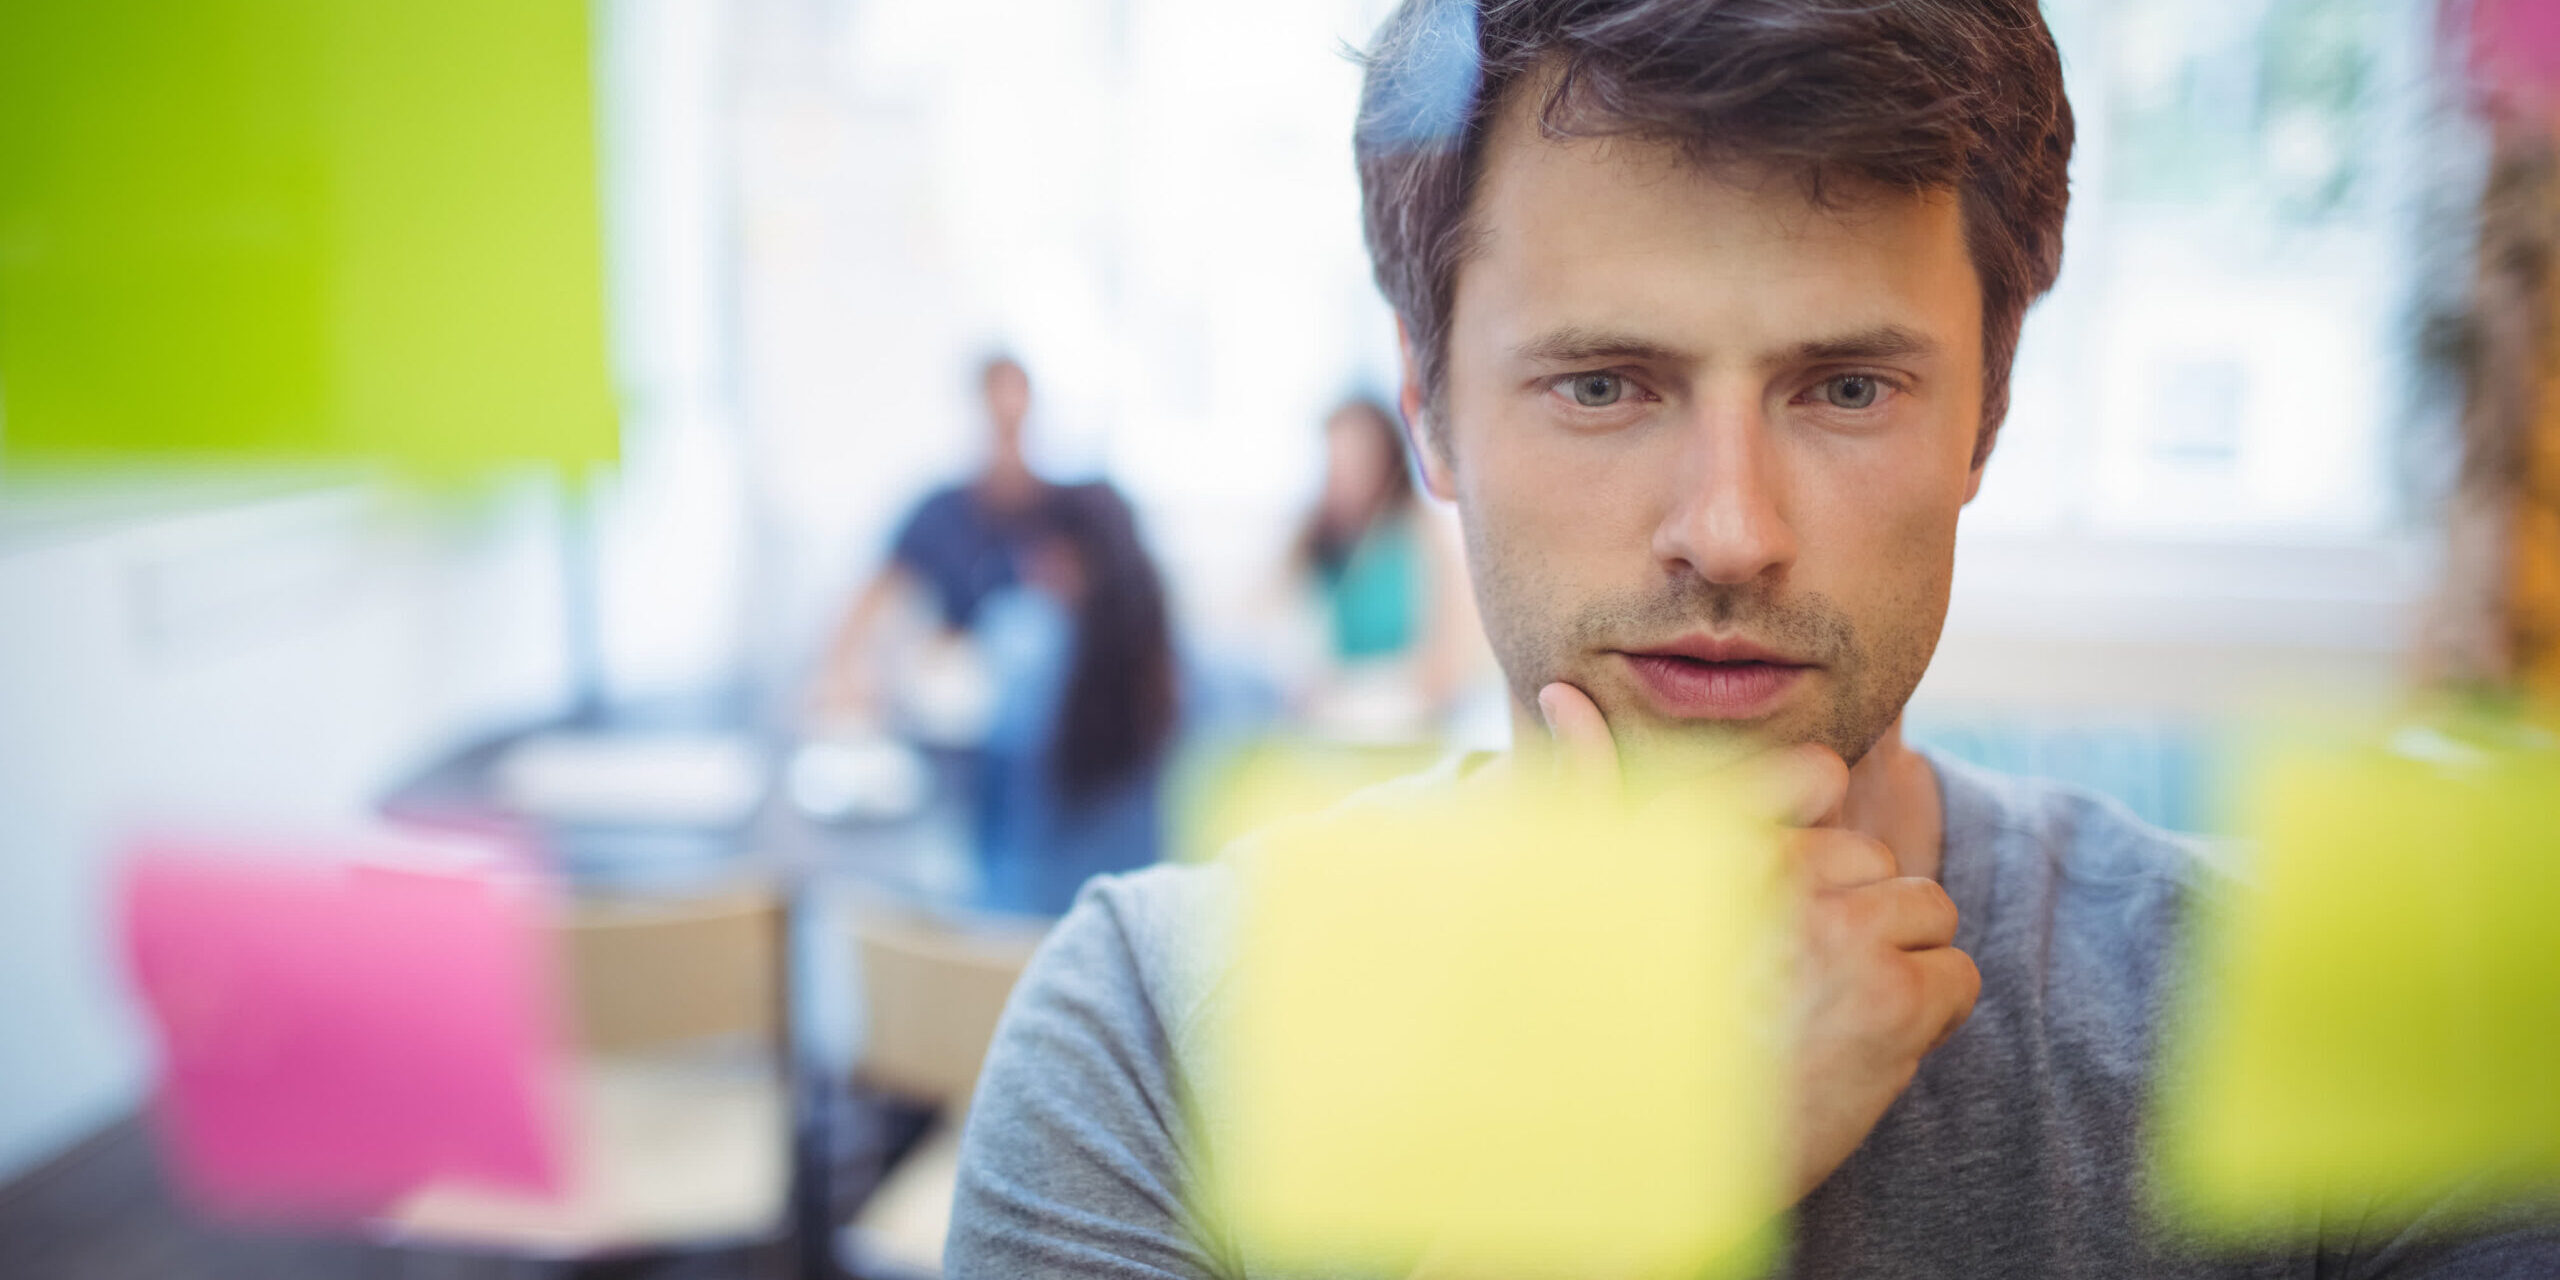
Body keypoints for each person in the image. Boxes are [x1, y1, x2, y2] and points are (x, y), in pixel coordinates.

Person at [945, 1, 2560, 1275]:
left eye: (1846, 388)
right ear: (1430, 401)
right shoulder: (1149, 1030)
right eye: (1605, 384)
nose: (1729, 526)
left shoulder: (2323, 1021)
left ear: (1990, 403)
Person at [972, 481, 1181, 916]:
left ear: (1060, 556)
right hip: (1139, 933)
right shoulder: (1185, 669)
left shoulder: (1020, 640)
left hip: (1017, 938)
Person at [812, 352, 1051, 729]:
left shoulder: (1066, 513)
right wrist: (843, 672)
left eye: (1015, 415)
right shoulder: (941, 514)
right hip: (962, 711)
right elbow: (867, 603)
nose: (1007, 421)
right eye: (997, 412)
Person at [1274, 395, 1477, 741]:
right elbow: (1283, 641)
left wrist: (1357, 695)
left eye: (1357, 459)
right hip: (1321, 728)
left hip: (1404, 729)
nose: (1344, 474)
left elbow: (1443, 668)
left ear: (1386, 459)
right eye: (1335, 460)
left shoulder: (1423, 537)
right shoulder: (1310, 541)